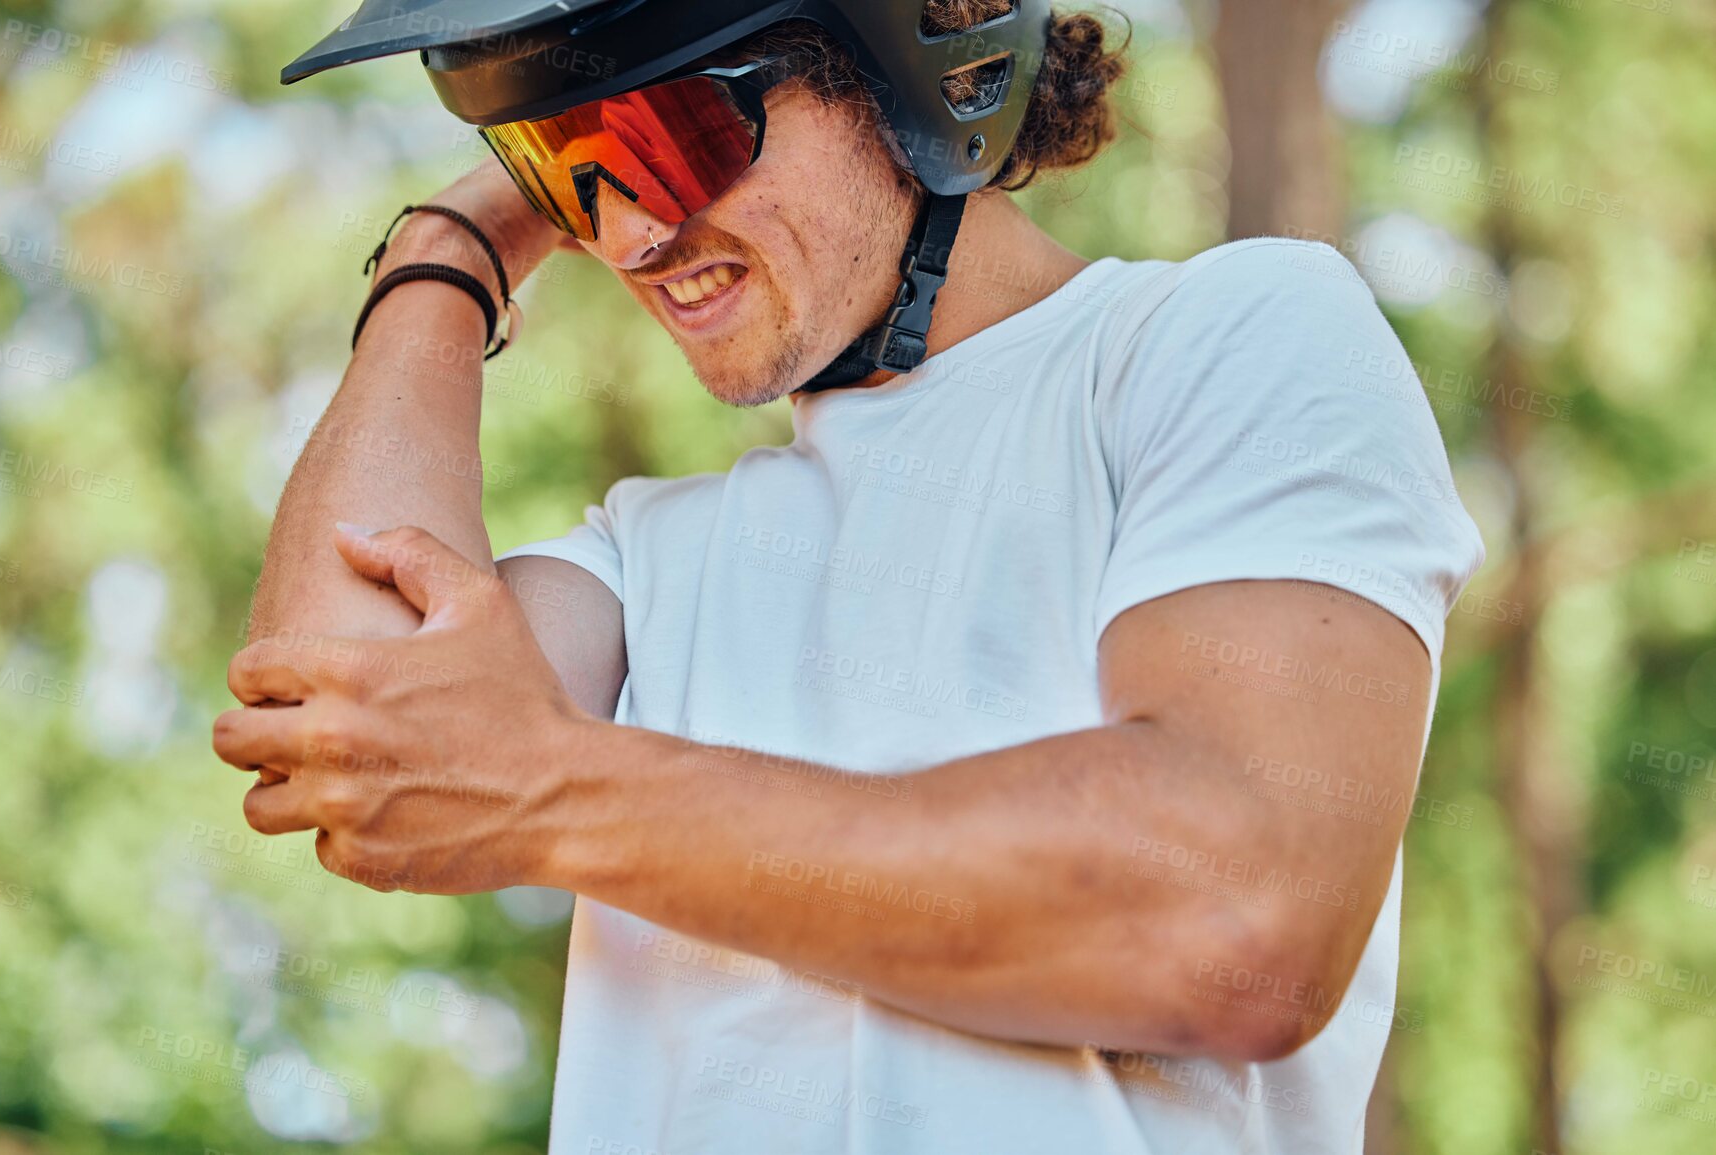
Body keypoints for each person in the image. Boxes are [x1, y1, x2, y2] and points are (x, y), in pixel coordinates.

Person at [213, 1, 1487, 1151]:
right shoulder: (652, 551)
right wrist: (447, 253)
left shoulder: (1226, 341)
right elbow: (342, 726)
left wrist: (553, 788)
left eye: (670, 134)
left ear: (911, 59)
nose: (631, 233)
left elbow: (1233, 919)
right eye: (564, 169)